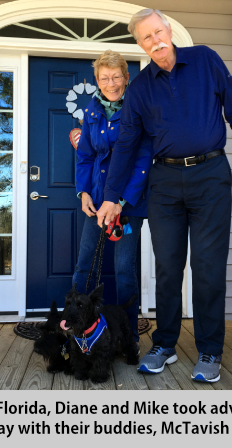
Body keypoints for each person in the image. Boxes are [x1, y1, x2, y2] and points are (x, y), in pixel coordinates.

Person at [96, 9, 232, 383]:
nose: (155, 40)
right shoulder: (139, 88)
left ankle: (210, 351)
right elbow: (126, 145)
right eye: (146, 37)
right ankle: (165, 344)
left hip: (210, 175)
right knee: (167, 267)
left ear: (168, 29)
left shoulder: (205, 59)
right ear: (140, 44)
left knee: (208, 268)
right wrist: (110, 196)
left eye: (158, 31)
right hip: (164, 180)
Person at [73, 50, 152, 344]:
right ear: (96, 80)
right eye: (105, 78)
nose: (111, 83)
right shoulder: (91, 110)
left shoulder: (139, 107)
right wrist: (83, 193)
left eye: (117, 76)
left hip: (129, 203)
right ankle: (76, 329)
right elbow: (85, 156)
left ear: (126, 77)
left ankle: (128, 336)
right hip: (96, 200)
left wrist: (119, 202)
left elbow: (143, 158)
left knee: (123, 269)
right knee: (84, 264)